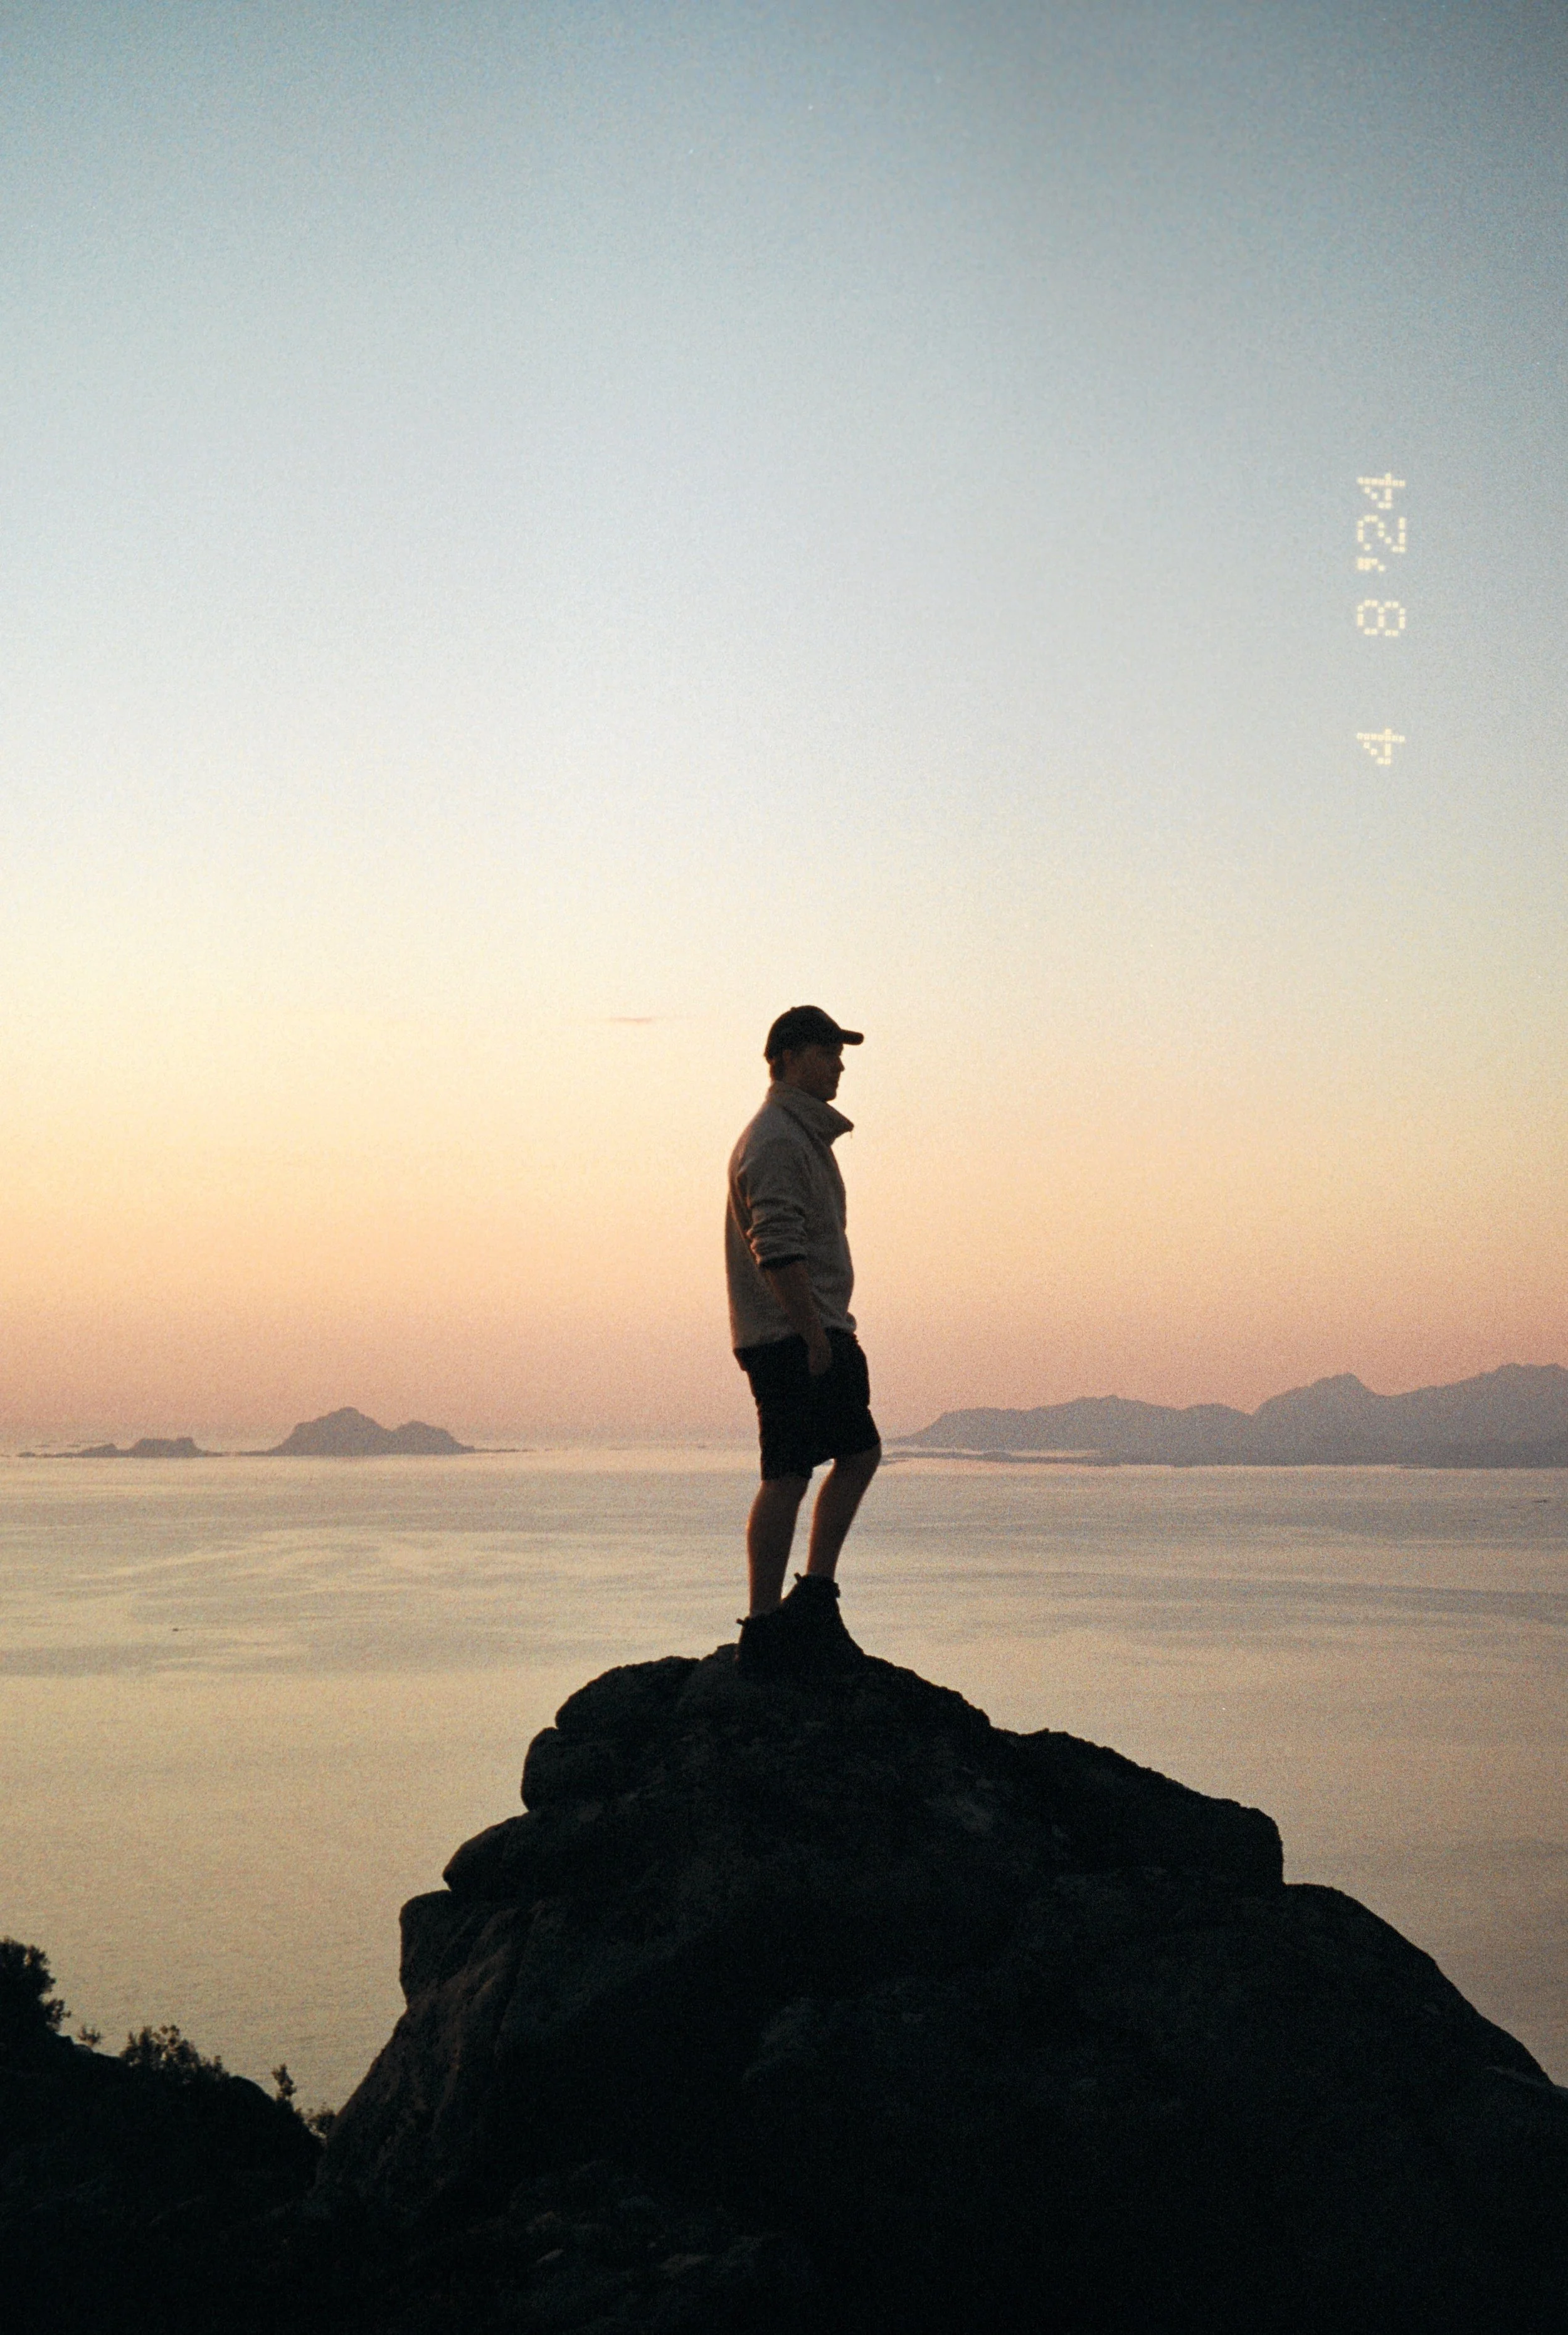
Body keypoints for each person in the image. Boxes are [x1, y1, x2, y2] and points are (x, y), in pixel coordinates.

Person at [726, 1005, 881, 1677]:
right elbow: (777, 1246)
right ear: (787, 1057)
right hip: (795, 1331)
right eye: (826, 1051)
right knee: (791, 1471)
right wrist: (814, 1336)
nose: (839, 1063)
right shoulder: (778, 1141)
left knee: (847, 1454)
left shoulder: (795, 1136)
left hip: (803, 1327)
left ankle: (804, 1599)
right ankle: (769, 1619)